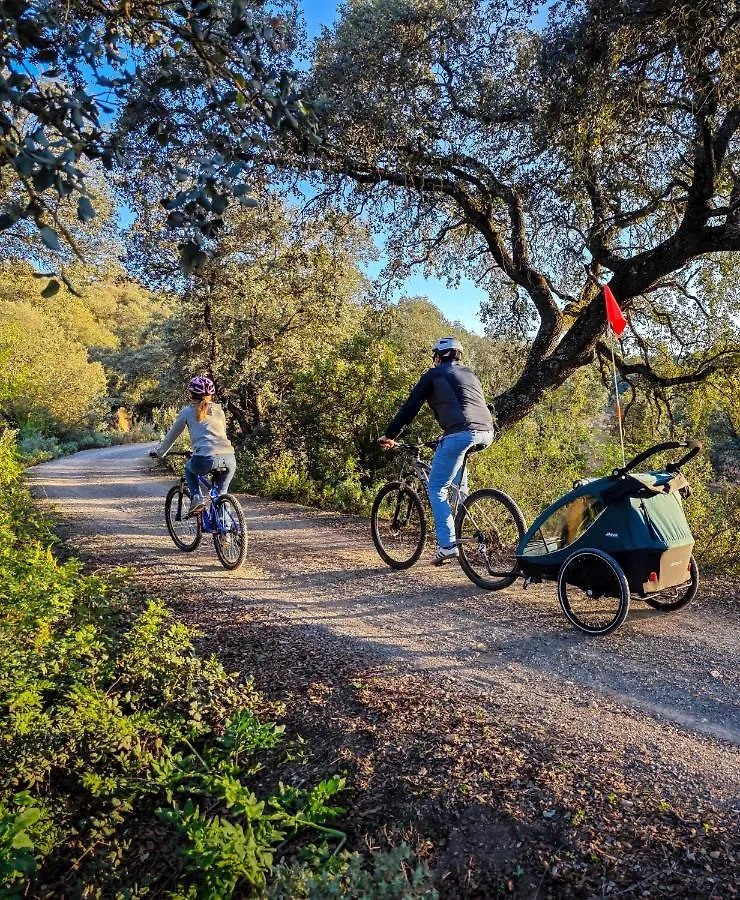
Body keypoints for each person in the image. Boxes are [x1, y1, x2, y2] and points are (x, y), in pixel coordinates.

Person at [379, 338, 494, 565]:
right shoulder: (469, 374)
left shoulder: (433, 375)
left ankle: (447, 545)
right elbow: (468, 408)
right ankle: (466, 521)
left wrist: (390, 435)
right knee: (457, 488)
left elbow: (410, 408)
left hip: (461, 434)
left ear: (439, 356)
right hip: (487, 432)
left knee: (436, 488)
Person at [151, 376, 236, 517]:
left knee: (189, 469)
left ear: (191, 394)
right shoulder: (219, 410)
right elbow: (220, 434)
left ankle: (197, 498)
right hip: (229, 457)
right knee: (221, 494)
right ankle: (225, 534)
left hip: (205, 457)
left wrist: (160, 453)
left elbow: (171, 436)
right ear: (210, 394)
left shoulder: (187, 412)